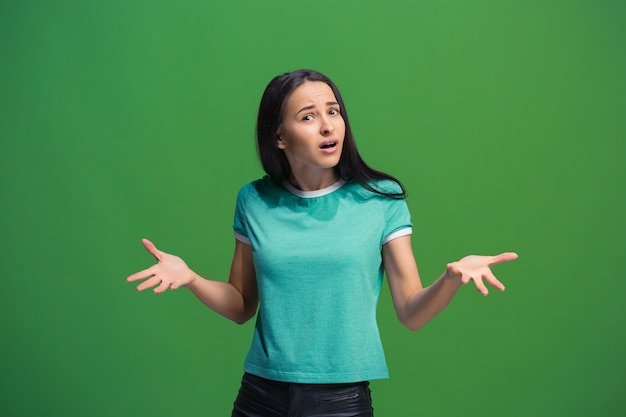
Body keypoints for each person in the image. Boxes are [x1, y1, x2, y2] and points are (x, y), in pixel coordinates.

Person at [126, 69, 518, 417]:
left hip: (340, 400)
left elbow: (411, 313)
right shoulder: (254, 200)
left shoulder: (380, 198)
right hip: (260, 394)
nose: (328, 126)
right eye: (308, 117)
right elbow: (241, 305)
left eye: (333, 111)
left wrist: (450, 279)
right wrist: (191, 278)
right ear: (279, 136)